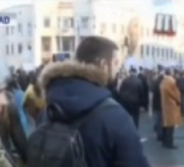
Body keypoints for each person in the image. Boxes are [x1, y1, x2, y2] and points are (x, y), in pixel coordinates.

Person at [29, 36, 149, 166]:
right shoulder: (117, 117)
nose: (118, 69)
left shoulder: (49, 110)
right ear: (104, 65)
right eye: (115, 63)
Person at [160, 69, 182, 150]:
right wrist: (179, 99)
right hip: (171, 106)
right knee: (170, 126)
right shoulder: (170, 82)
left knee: (166, 125)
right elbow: (175, 94)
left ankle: (165, 142)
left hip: (166, 105)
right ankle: (169, 143)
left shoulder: (164, 82)